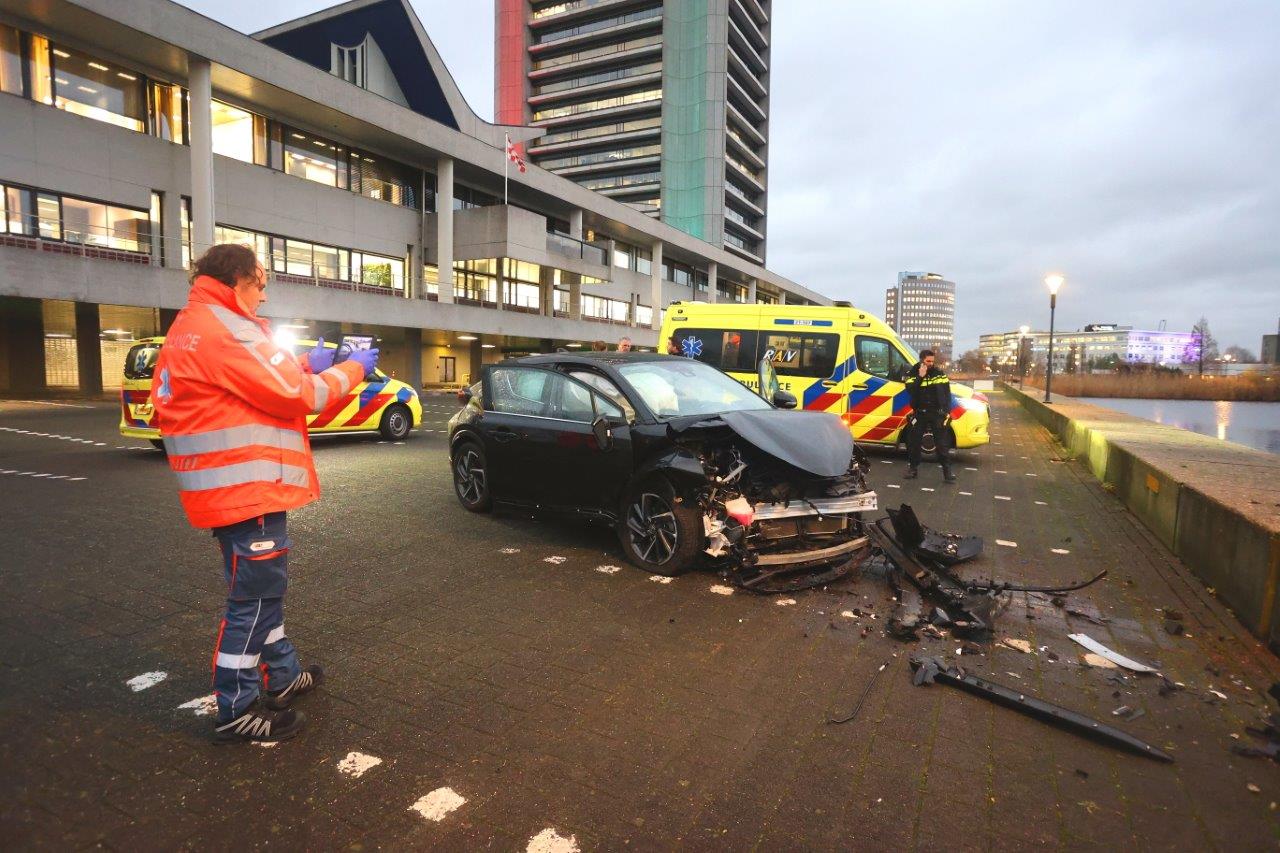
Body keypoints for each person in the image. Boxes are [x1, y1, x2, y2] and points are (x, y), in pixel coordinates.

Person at [152, 244, 378, 743]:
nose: (263, 292)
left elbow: (251, 379)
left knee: (260, 593)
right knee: (253, 600)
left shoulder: (195, 324)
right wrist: (354, 368)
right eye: (260, 282)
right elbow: (303, 396)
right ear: (238, 280)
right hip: (247, 490)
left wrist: (302, 359)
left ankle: (282, 674)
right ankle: (237, 705)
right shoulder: (227, 327)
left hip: (227, 490)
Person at [902, 349, 955, 483]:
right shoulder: (912, 373)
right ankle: (913, 469)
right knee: (914, 442)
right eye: (928, 361)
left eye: (932, 361)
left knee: (942, 444)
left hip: (937, 413)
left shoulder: (939, 373)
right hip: (920, 413)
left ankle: (947, 472)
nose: (931, 363)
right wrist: (920, 376)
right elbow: (910, 390)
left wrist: (947, 410)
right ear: (921, 360)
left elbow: (946, 392)